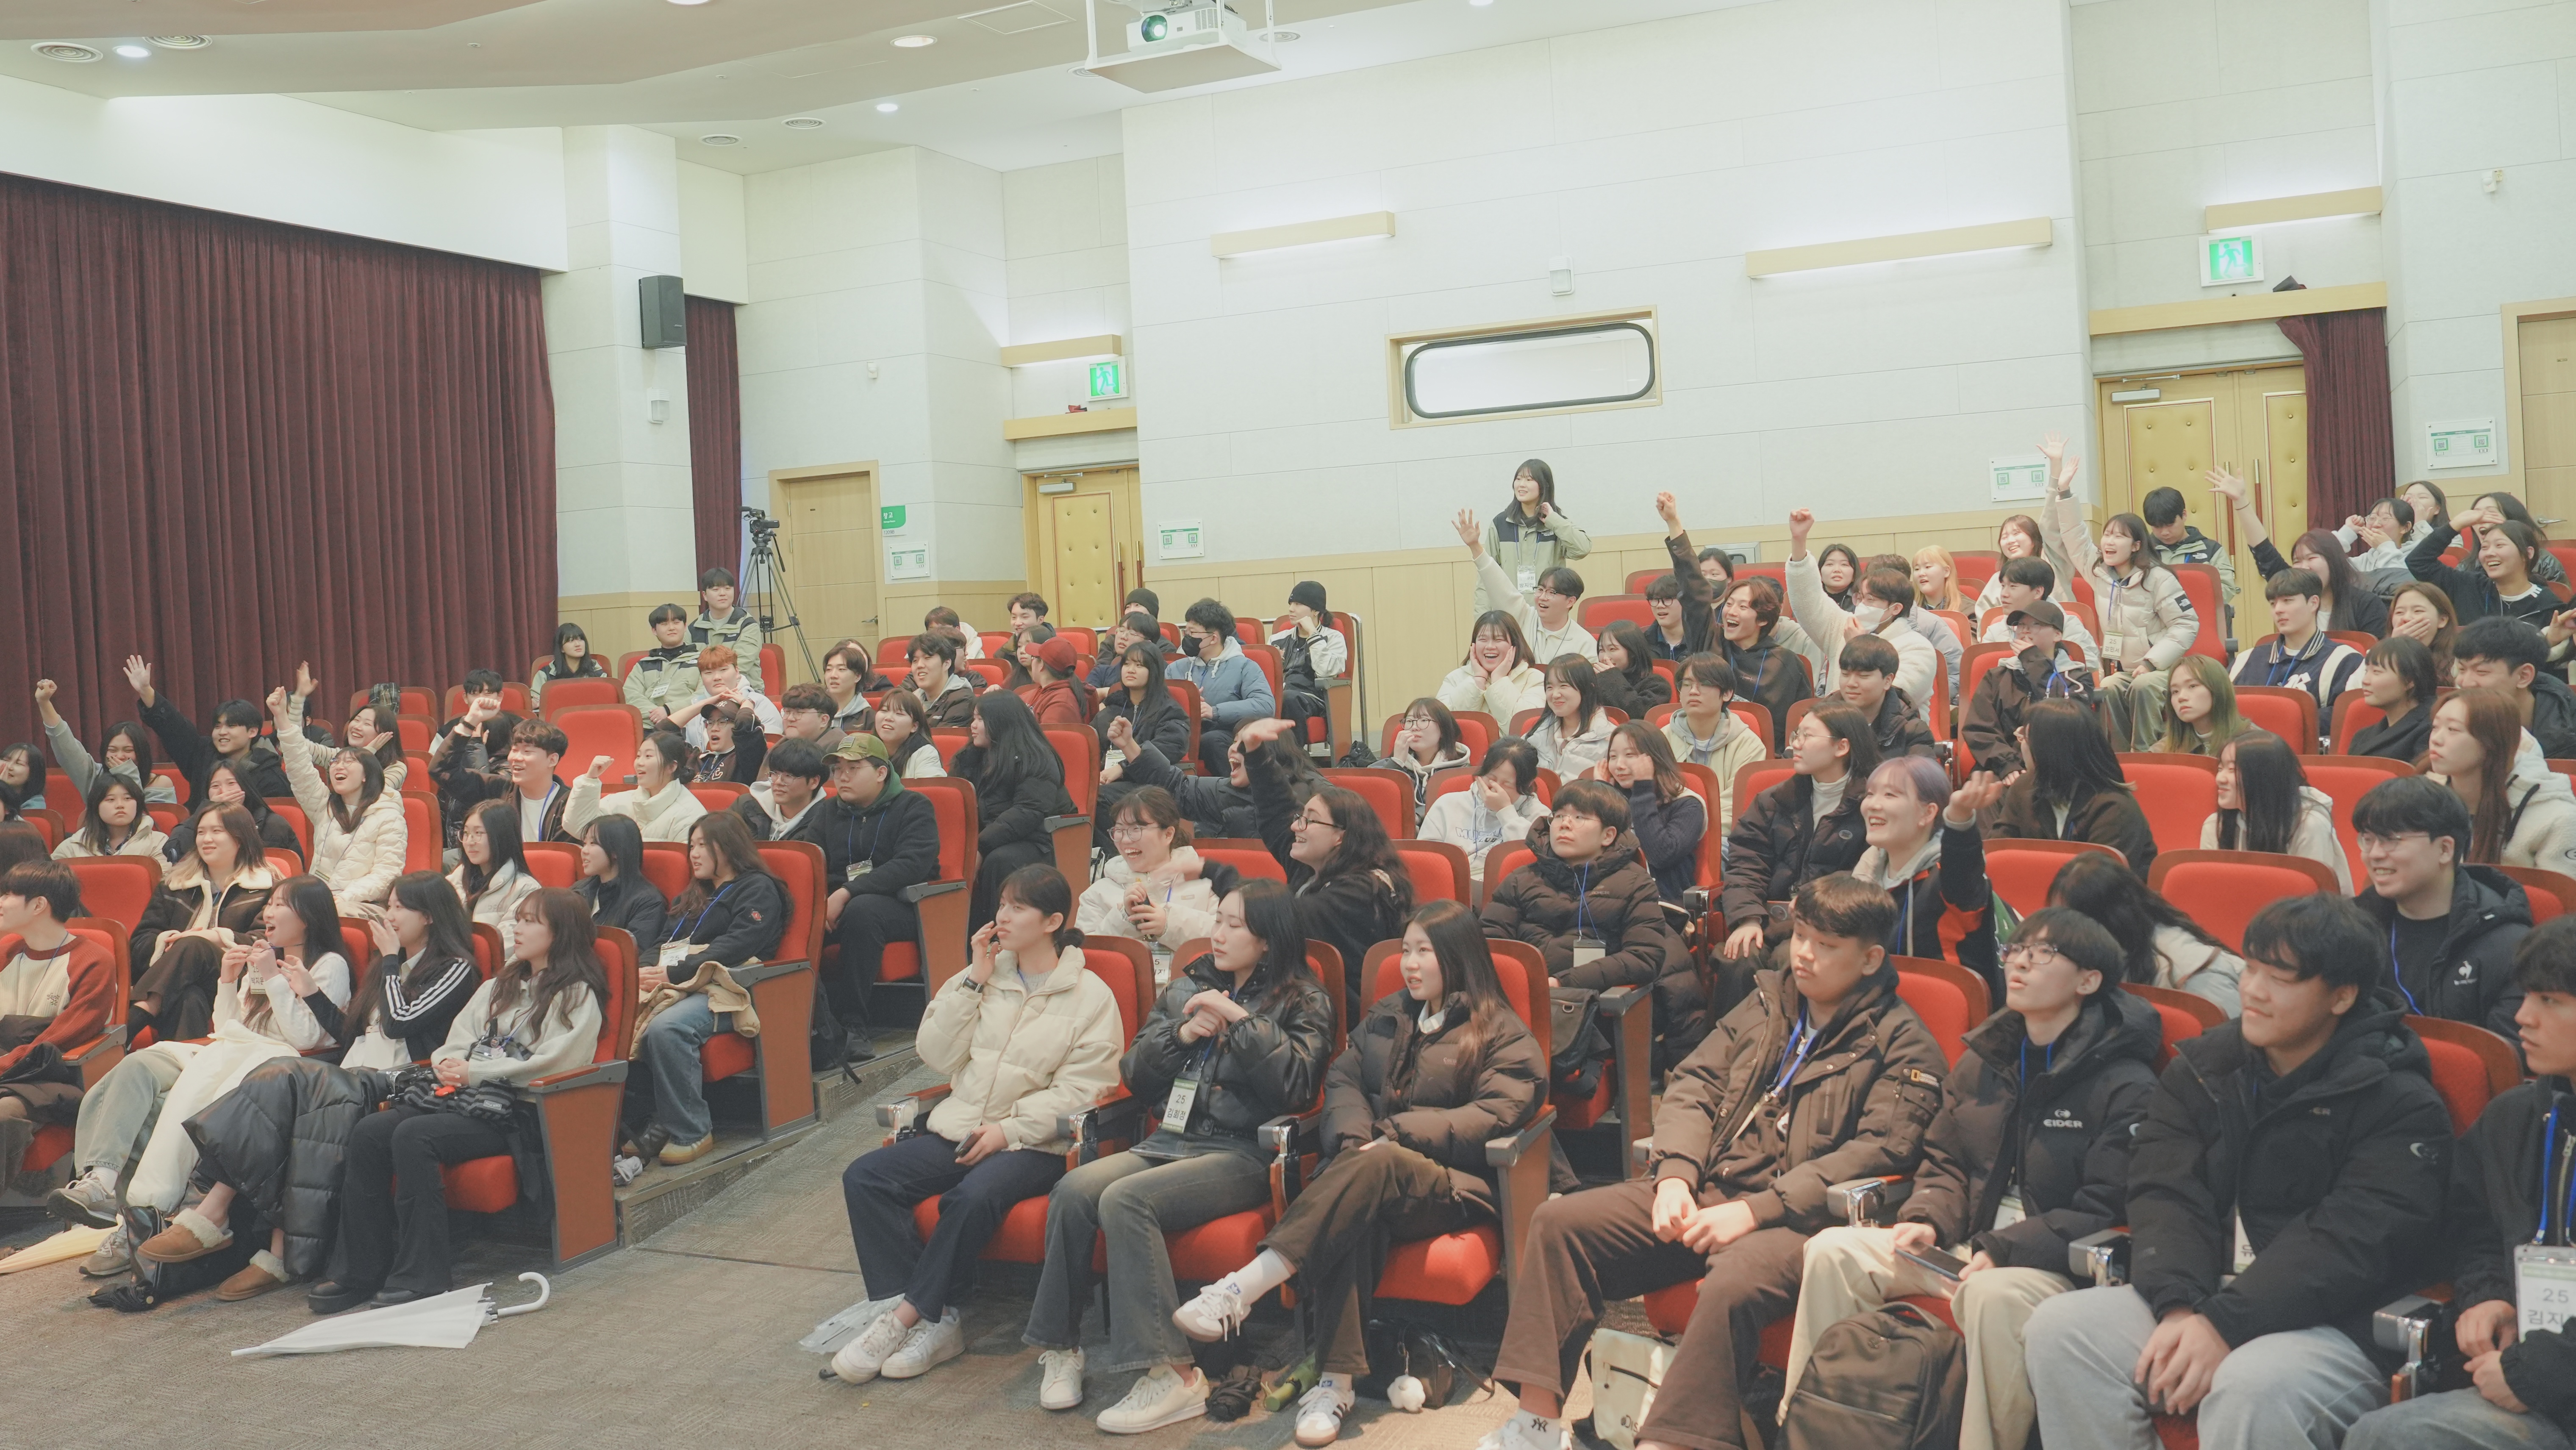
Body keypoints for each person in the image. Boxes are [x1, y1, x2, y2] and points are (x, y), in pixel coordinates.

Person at [1478, 874, 1947, 1450]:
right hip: (1712, 1186)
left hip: (1802, 1221)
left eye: (1826, 945)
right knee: (1559, 1222)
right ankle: (1535, 1425)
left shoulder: (1904, 1044)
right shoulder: (1770, 1000)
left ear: (1870, 958)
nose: (1803, 953)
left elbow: (1877, 1152)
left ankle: (1670, 1441)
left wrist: (1755, 1211)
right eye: (1801, 935)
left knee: (1732, 1281)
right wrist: (1676, 1173)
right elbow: (1695, 1081)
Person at [2024, 895, 2450, 1450]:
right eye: (2249, 968)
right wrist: (2178, 1304)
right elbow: (2163, 1189)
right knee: (2062, 1328)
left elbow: (2349, 1241)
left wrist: (2224, 1323)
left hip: (2333, 1321)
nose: (2252, 990)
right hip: (2207, 1288)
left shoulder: (2398, 1099)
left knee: (2251, 1386)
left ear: (2342, 996)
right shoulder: (2205, 1067)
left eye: (2280, 978)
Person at [1781, 905, 2158, 1450]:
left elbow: (2106, 1206)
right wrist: (1928, 1218)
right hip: (1965, 1245)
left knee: (1990, 1293)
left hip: (2051, 1267)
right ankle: (1811, 1433)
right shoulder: (1986, 1060)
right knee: (1832, 1251)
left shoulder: (2125, 1084)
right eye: (2015, 950)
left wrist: (2004, 1248)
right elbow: (1946, 1159)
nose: (2018, 964)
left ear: (2087, 980)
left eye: (2042, 953)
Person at [1174, 900, 1546, 1445]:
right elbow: (1343, 1081)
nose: (1409, 963)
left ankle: (1242, 1288)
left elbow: (1493, 1113)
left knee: (1374, 1166)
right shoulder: (1387, 1015)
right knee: (1358, 1201)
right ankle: (1335, 1383)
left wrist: (1393, 1135)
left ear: (1458, 956)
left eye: (1424, 952)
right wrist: (1356, 1142)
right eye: (1406, 949)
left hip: (1453, 1186)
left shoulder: (1500, 1031)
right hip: (1372, 1171)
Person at [1023, 878, 1336, 1431]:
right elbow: (1135, 1075)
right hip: (1167, 1140)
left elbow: (1296, 1086)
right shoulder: (1187, 986)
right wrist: (1186, 1033)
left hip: (1241, 1150)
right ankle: (1062, 1345)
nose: (1218, 933)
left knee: (1125, 1199)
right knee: (1073, 1190)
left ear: (1267, 938)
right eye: (1218, 920)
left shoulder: (1303, 998)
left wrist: (1238, 1019)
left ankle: (1174, 1374)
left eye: (1234, 925)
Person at [830, 865, 1124, 1386]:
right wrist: (972, 980)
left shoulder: (1090, 993)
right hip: (962, 1124)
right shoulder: (984, 975)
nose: (1002, 915)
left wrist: (1007, 1131)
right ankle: (940, 1318)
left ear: (1052, 921)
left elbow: (1084, 1089)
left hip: (1036, 1142)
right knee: (866, 1176)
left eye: (1017, 907)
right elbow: (935, 1054)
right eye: (1002, 904)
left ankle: (905, 1317)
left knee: (970, 1196)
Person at [164, 872, 482, 1301]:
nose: (388, 916)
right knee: (288, 1094)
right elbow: (352, 1037)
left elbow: (400, 1023)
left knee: (283, 1072)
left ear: (428, 916)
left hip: (399, 1080)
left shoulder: (455, 968)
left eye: (399, 908)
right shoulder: (386, 967)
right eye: (388, 906)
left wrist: (390, 960)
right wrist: (312, 994)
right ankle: (268, 1248)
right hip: (354, 1073)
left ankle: (215, 1210)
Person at [303, 887, 605, 1313]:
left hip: (518, 1111)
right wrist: (448, 1064)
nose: (518, 929)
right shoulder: (498, 985)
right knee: (370, 1131)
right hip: (463, 1098)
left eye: (531, 921)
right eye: (518, 919)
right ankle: (360, 1270)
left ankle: (423, 1275)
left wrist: (476, 1072)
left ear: (561, 932)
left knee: (414, 1135)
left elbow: (560, 1061)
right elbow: (457, 1039)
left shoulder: (576, 993)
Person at [2343, 915, 2576, 1450]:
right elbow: (2474, 1229)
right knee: (2382, 1436)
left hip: (2546, 1373)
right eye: (2525, 996)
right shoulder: (2515, 1117)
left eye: (2549, 1000)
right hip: (2535, 1385)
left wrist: (2539, 1371)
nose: (2522, 1016)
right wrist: (2488, 1296)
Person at [61, 874, 350, 1281]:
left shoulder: (330, 964)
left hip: (275, 1062)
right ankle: (100, 1182)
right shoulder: (266, 957)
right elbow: (230, 1025)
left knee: (159, 1109)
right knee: (134, 1068)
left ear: (309, 915)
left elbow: (305, 1038)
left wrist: (273, 978)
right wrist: (228, 982)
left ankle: (139, 1222)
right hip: (230, 1048)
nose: (268, 912)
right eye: (269, 903)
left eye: (280, 904)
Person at [625, 811, 788, 1166]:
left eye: (703, 845)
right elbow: (664, 941)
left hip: (733, 989)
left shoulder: (758, 888)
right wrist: (644, 970)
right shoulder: (696, 892)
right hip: (684, 983)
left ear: (728, 848)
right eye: (692, 846)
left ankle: (692, 1130)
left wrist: (673, 972)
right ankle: (660, 1119)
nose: (694, 854)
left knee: (667, 1029)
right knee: (620, 1015)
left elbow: (736, 946)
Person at [1239, 715, 1414, 1027]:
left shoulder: (1364, 891)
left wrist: (1217, 882)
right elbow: (1278, 810)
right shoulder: (1315, 867)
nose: (1297, 826)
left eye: (1309, 819)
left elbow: (1285, 919)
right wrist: (1255, 751)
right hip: (1307, 1006)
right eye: (1301, 817)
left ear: (1340, 836)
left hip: (1355, 1024)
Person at [2041, 444, 2200, 749]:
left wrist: (2152, 663)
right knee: (2110, 686)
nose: (2109, 542)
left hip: (2163, 670)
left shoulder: (2158, 578)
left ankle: (2146, 755)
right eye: (2107, 535)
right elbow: (2075, 537)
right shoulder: (2099, 572)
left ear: (2137, 545)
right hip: (2125, 671)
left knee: (2143, 686)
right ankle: (2123, 756)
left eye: (2119, 537)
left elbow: (2187, 625)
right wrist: (2064, 492)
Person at [1721, 705, 1878, 964]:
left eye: (1808, 736)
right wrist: (1748, 918)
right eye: (1797, 735)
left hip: (1832, 925)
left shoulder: (1871, 806)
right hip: (1769, 918)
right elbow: (1746, 863)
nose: (1796, 745)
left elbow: (1864, 878)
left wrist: (1812, 910)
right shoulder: (1774, 800)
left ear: (1842, 747)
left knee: (1790, 959)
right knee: (1738, 956)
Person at [811, 734, 940, 1050]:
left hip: (904, 904)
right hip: (839, 903)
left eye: (853, 768)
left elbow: (911, 865)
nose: (842, 777)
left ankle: (853, 1023)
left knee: (863, 910)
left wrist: (846, 893)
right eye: (838, 769)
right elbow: (813, 865)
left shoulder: (914, 806)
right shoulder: (828, 811)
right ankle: (811, 1021)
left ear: (881, 773)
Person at [0, 861, 119, 1182]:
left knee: (3, 1115)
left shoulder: (93, 961)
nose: (1, 901)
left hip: (48, 1077)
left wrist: (6, 1063)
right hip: (7, 1065)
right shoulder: (6, 951)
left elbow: (61, 1039)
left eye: (8, 894)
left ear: (39, 905)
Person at [129, 805, 281, 1042]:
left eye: (217, 831)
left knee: (195, 944)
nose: (206, 839)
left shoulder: (267, 888)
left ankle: (136, 1018)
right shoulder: (175, 885)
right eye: (201, 832)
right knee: (189, 997)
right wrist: (167, 942)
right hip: (180, 983)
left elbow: (271, 940)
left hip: (240, 980)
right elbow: (139, 943)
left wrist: (215, 938)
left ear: (240, 837)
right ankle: (185, 1060)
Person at [1853, 758, 2001, 990]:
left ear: (1928, 813)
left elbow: (1963, 863)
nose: (1872, 805)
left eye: (1890, 795)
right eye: (1870, 794)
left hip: (1936, 1004)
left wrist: (1960, 817)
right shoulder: (1863, 875)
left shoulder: (1948, 879)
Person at [2045, 849, 2244, 1013]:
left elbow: (2235, 1044)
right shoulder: (2115, 951)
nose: (2061, 934)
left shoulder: (2194, 977)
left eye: (2070, 923)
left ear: (2108, 921)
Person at [272, 683, 405, 918]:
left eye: (350, 762)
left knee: (338, 913)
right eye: (336, 762)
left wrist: (343, 898)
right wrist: (281, 716)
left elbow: (387, 874)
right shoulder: (325, 806)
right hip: (319, 901)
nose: (338, 766)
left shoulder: (389, 816)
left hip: (361, 904)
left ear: (367, 774)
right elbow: (299, 763)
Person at [1786, 508, 1938, 713]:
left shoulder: (1917, 648)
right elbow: (1808, 601)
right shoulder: (1846, 626)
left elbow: (1889, 701)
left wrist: (1858, 647)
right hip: (1839, 726)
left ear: (1895, 609)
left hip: (1892, 731)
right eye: (1860, 598)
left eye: (1871, 600)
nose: (1862, 605)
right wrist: (1799, 540)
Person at [948, 690, 1075, 931]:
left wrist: (979, 846)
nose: (973, 726)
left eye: (980, 720)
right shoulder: (970, 758)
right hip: (990, 838)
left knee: (999, 861)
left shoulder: (1037, 759)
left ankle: (994, 935)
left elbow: (1028, 812)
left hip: (1038, 840)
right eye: (973, 719)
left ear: (1001, 723)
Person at [2212, 467, 2391, 638]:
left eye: (2311, 558)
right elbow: (2263, 550)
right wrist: (2241, 501)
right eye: (2297, 561)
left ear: (2333, 561)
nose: (2304, 567)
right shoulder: (2293, 590)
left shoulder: (2366, 604)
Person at [1993, 699, 2158, 876]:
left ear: (2050, 751)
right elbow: (1997, 854)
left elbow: (2098, 884)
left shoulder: (2114, 809)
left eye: (2025, 738)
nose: (2021, 746)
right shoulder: (2024, 787)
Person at [2429, 687, 2576, 871]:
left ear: (2492, 741)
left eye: (2453, 729)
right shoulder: (2423, 800)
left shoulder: (2556, 818)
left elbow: (2562, 889)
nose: (2436, 739)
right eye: (2435, 727)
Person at [1076, 787, 1225, 959]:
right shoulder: (1097, 893)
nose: (1125, 840)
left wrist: (1169, 924)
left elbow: (1228, 939)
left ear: (1168, 834)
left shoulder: (1206, 884)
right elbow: (1086, 956)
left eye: (1136, 830)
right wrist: (1124, 918)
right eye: (1119, 831)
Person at [122, 654, 291, 804]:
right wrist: (146, 691)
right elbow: (174, 728)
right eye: (218, 726)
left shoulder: (270, 776)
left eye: (231, 726)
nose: (222, 732)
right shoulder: (203, 755)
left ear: (252, 732)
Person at [1960, 600, 2098, 778]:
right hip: (2004, 768)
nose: (2025, 631)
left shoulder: (2077, 678)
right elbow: (1979, 729)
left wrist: (2033, 660)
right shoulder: (1997, 676)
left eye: (2036, 625)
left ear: (2057, 635)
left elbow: (2068, 721)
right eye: (2021, 625)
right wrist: (2008, 766)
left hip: (2061, 768)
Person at [2204, 730, 2352, 890]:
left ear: (2264, 777)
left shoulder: (2309, 827)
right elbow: (2210, 890)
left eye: (2232, 770)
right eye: (2220, 769)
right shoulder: (2215, 825)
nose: (2220, 779)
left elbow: (2316, 898)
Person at [2229, 570, 2362, 745]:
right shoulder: (2246, 659)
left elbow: (2343, 718)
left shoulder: (2345, 660)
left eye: (2288, 601)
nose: (2278, 610)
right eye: (2273, 604)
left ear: (2313, 603)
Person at [1456, 506, 1593, 665]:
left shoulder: (1585, 643)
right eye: (1540, 590)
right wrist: (1475, 546)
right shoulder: (1524, 617)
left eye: (1551, 593)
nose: (1543, 597)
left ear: (1570, 601)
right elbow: (1498, 583)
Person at [1166, 598, 1275, 778]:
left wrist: (1214, 711)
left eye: (1193, 633)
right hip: (1184, 733)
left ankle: (1239, 788)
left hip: (1225, 732)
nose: (1187, 637)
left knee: (1212, 741)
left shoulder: (1245, 667)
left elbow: (1265, 705)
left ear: (1213, 638)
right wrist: (1186, 704)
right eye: (1186, 631)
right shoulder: (1176, 668)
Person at [1420, 738, 1549, 889]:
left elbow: (1530, 866)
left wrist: (1505, 812)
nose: (1495, 789)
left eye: (1507, 784)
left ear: (1528, 784)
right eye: (1491, 779)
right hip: (1450, 888)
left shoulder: (1540, 816)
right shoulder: (1448, 804)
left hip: (1507, 892)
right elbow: (1426, 860)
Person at [1660, 655, 1767, 836]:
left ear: (1727, 694)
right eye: (1687, 684)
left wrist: (1691, 829)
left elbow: (1738, 806)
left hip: (1722, 835)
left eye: (1704, 684)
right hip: (1668, 834)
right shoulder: (1662, 738)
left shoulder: (1748, 744)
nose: (1693, 691)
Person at [1110, 713, 1261, 842]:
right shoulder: (1229, 791)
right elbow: (1179, 788)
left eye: (1245, 744)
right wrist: (1128, 744)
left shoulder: (1277, 799)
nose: (1233, 748)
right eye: (1235, 741)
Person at [2413, 499, 2560, 630]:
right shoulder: (2469, 586)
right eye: (2485, 547)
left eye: (2500, 545)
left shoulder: (2547, 604)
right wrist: (2455, 526)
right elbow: (2418, 562)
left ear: (2528, 553)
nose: (2489, 553)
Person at [1599, 722, 1705, 903]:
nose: (1619, 765)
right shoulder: (1613, 800)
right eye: (1613, 757)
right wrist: (1601, 795)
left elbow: (1660, 856)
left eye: (1630, 755)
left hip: (1661, 902)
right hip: (1607, 898)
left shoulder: (1688, 805)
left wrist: (1643, 790)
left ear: (1655, 758)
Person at [435, 716, 577, 849]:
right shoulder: (497, 790)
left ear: (552, 760)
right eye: (514, 750)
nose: (516, 758)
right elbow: (441, 771)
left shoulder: (571, 804)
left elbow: (561, 857)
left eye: (527, 752)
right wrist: (468, 724)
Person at [1474, 459, 1592, 614]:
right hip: (1509, 614)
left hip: (1547, 614)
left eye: (1529, 480)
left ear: (1544, 486)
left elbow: (1582, 549)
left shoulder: (1556, 524)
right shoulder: (1500, 524)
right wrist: (1482, 619)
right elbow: (1486, 577)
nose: (1521, 485)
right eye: (1518, 479)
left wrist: (1553, 520)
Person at [34, 680, 176, 806]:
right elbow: (65, 744)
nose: (119, 756)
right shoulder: (95, 776)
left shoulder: (160, 783)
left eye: (128, 750)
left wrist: (126, 774)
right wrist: (44, 703)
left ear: (142, 753)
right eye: (112, 750)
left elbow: (145, 820)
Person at [2455, 615, 2576, 758]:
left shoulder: (2566, 735)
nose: (2465, 683)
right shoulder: (2450, 724)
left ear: (2524, 676)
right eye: (2462, 670)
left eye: (2481, 672)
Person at [566, 731, 709, 844]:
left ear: (672, 767)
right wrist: (590, 780)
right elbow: (580, 828)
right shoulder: (620, 801)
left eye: (648, 756)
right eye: (638, 756)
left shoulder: (690, 814)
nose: (639, 763)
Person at [159, 757, 300, 867]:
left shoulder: (273, 825)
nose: (223, 792)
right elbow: (174, 850)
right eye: (215, 786)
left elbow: (294, 868)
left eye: (231, 784)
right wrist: (208, 809)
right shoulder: (198, 822)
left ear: (245, 788)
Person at [449, 798, 541, 958]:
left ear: (501, 836)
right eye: (466, 833)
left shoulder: (525, 889)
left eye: (478, 833)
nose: (469, 842)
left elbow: (505, 948)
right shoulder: (454, 880)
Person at [2140, 480, 2240, 628]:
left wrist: (2190, 597)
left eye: (2170, 525)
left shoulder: (2211, 550)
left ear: (2184, 515)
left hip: (2201, 624)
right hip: (2156, 626)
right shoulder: (2142, 552)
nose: (2165, 532)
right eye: (2157, 527)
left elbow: (2227, 590)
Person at [1834, 633, 1937, 760]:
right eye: (1845, 674)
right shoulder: (1821, 722)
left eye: (1863, 676)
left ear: (1888, 681)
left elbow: (1921, 772)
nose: (1851, 684)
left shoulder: (1912, 731)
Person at [1977, 556, 2101, 661]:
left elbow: (2090, 669)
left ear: (2038, 592)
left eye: (2013, 586)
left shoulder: (2068, 626)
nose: (2004, 594)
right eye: (2003, 586)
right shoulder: (1995, 632)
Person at [575, 814, 668, 951]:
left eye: (593, 843)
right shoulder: (579, 890)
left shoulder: (648, 902)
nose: (584, 851)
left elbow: (633, 955)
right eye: (585, 844)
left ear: (616, 851)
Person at [1270, 581, 1347, 741]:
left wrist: (1313, 634)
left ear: (1315, 611)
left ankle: (1293, 754)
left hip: (1315, 697)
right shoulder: (1278, 639)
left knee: (1289, 699)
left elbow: (1325, 671)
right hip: (1283, 693)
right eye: (1291, 604)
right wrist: (1276, 664)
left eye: (1298, 604)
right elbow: (1266, 677)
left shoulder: (1334, 638)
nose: (1291, 609)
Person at [1438, 611, 1546, 725]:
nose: (1490, 647)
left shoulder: (1535, 679)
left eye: (1498, 640)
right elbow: (1445, 725)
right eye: (1483, 640)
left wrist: (1499, 680)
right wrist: (1478, 681)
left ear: (1514, 645)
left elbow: (1524, 726)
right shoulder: (1454, 678)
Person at [672, 643, 784, 752]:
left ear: (737, 671)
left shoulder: (760, 703)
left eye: (723, 670)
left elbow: (769, 751)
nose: (717, 677)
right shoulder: (697, 707)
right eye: (709, 673)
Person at [1525, 656, 1616, 779]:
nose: (1555, 695)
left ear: (1588, 689)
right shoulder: (1537, 733)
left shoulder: (1609, 739)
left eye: (1564, 686)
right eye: (1550, 687)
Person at [2351, 635, 2439, 761]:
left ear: (2409, 681)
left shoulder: (2432, 731)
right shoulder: (2361, 737)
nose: (2365, 681)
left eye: (2377, 672)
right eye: (2366, 672)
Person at [52, 774, 167, 864]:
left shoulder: (158, 842)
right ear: (96, 806)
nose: (120, 805)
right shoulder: (74, 845)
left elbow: (163, 882)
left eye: (128, 798)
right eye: (111, 800)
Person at [2154, 654, 2251, 758]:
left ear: (2217, 689)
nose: (2181, 697)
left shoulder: (2252, 744)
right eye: (2175, 691)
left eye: (2192, 686)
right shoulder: (2165, 747)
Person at [732, 737, 827, 843]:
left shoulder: (826, 822)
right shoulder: (745, 806)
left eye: (789, 776)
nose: (778, 782)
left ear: (814, 782)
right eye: (775, 774)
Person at [690, 566, 765, 694]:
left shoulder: (748, 625)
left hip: (742, 690)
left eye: (728, 588)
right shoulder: (694, 628)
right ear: (705, 595)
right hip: (703, 691)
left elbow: (740, 666)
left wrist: (703, 693)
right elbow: (690, 667)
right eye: (716, 589)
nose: (723, 594)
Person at [625, 604, 702, 727]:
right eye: (665, 624)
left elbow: (703, 695)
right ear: (654, 630)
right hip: (650, 727)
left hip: (689, 726)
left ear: (685, 627)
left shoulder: (702, 661)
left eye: (676, 623)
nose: (671, 628)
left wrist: (669, 710)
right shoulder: (643, 665)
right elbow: (632, 697)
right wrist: (657, 716)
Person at [2333, 492, 2434, 573]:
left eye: (2385, 519)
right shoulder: (2366, 559)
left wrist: (2385, 547)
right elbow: (2328, 565)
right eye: (2372, 518)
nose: (2376, 524)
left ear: (2406, 527)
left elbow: (2397, 582)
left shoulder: (2418, 555)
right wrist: (2347, 532)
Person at [1593, 621, 1670, 721]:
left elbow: (1637, 714)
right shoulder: (1596, 682)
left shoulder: (1658, 685)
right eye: (1601, 650)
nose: (1605, 658)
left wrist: (1612, 678)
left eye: (1612, 649)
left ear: (1633, 652)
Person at [2390, 578, 2462, 684]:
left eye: (2418, 611)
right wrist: (2394, 650)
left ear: (2442, 620)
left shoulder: (2461, 661)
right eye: (2400, 612)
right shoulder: (2375, 658)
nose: (2407, 618)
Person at [820, 639, 892, 736]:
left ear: (858, 676)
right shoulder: (815, 712)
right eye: (829, 670)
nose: (833, 676)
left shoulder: (870, 718)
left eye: (841, 669)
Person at [1021, 633, 1092, 728]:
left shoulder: (1061, 705)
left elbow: (1049, 737)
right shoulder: (1040, 691)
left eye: (1033, 658)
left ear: (1041, 665)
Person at [530, 622, 609, 706]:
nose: (578, 644)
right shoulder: (546, 674)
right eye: (571, 641)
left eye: (580, 639)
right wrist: (534, 704)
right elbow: (535, 702)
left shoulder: (596, 671)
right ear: (562, 648)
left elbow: (606, 700)